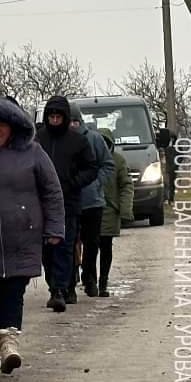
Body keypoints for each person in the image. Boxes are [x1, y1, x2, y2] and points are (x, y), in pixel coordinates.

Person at [0, 99, 65, 373]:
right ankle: (1, 345)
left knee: (14, 287)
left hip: (23, 234)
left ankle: (9, 342)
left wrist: (55, 228)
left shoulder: (33, 153)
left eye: (3, 125)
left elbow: (52, 191)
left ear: (13, 128)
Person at [36, 95, 98, 312]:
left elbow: (91, 168)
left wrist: (74, 182)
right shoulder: (36, 140)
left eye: (58, 116)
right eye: (51, 116)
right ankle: (54, 284)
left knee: (64, 246)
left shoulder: (77, 141)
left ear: (64, 117)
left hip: (68, 202)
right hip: (40, 202)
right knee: (46, 249)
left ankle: (60, 289)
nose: (54, 120)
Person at [71, 103, 115, 299]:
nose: (72, 125)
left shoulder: (95, 139)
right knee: (69, 243)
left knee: (92, 244)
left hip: (93, 201)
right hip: (69, 200)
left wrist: (97, 183)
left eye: (75, 121)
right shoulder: (61, 141)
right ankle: (69, 282)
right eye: (69, 121)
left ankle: (90, 277)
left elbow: (108, 164)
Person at [97, 129, 134, 296]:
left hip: (109, 210)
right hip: (88, 210)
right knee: (86, 247)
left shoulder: (118, 161)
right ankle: (86, 275)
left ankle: (103, 281)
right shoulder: (87, 158)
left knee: (105, 247)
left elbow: (126, 185)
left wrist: (125, 210)